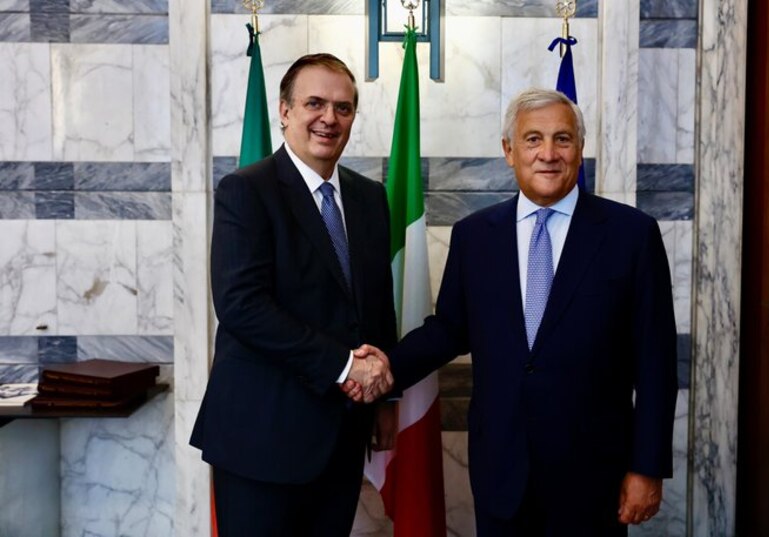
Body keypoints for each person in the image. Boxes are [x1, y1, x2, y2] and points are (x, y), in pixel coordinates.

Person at [349, 88, 678, 536]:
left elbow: (656, 363)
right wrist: (385, 367)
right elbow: (448, 330)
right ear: (508, 150)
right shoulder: (475, 236)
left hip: (593, 480)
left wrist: (647, 468)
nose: (548, 153)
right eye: (533, 139)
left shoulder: (631, 235)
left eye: (563, 139)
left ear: (580, 151)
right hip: (502, 473)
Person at [190, 53, 397, 537]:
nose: (329, 118)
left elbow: (376, 301)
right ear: (284, 111)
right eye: (315, 103)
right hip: (262, 436)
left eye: (343, 108)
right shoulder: (246, 190)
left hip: (342, 433)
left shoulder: (369, 198)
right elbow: (242, 306)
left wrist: (387, 396)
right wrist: (347, 367)